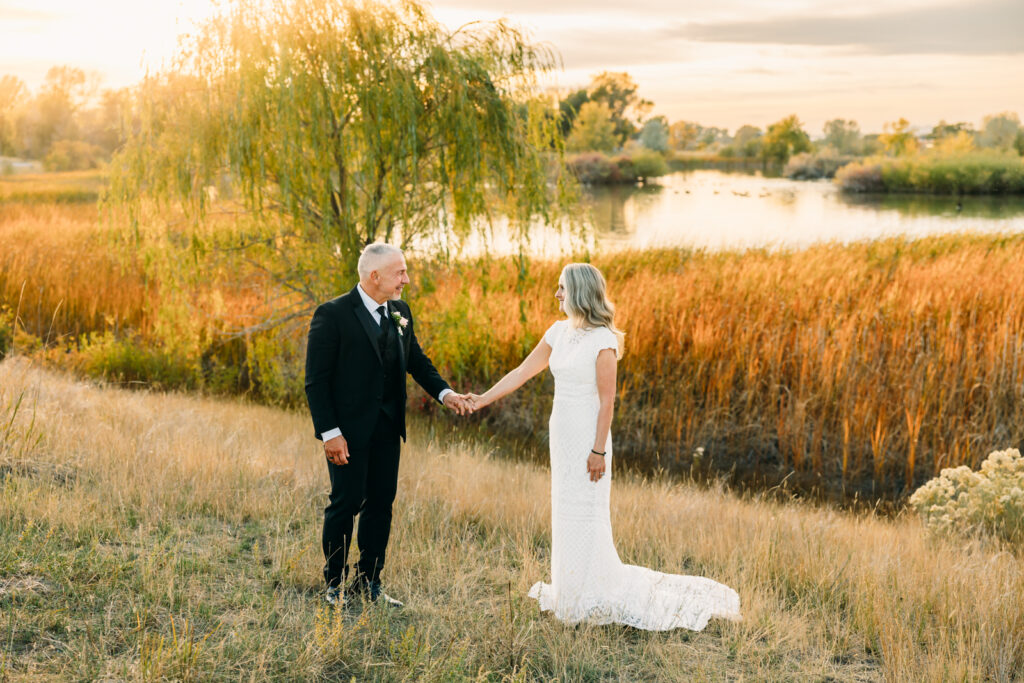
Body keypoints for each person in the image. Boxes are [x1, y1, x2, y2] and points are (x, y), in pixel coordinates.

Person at [467, 263, 740, 630]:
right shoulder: (557, 332)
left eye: (562, 288)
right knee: (565, 509)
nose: (557, 294)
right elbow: (521, 372)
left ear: (579, 292)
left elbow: (607, 401)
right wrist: (482, 399)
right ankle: (570, 589)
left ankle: (592, 591)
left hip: (589, 437)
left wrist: (598, 451)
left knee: (587, 512)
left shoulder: (603, 340)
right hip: (562, 435)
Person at [304, 244, 470, 607]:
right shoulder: (332, 315)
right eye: (400, 273)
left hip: (388, 429)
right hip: (347, 433)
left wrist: (446, 394)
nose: (406, 280)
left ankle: (369, 583)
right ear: (374, 276)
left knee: (381, 504)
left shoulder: (400, 311)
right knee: (345, 504)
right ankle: (334, 585)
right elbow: (316, 381)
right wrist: (330, 433)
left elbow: (416, 361)